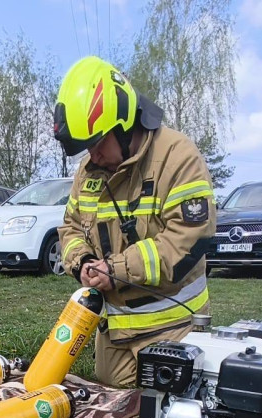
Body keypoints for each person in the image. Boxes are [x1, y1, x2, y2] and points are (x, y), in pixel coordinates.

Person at [54, 56, 215, 387]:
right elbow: (70, 226)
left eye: (96, 144)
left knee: (173, 404)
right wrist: (82, 262)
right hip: (116, 332)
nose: (91, 156)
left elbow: (186, 241)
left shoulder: (177, 155)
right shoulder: (88, 172)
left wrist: (116, 271)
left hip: (174, 325)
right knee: (112, 396)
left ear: (124, 126)